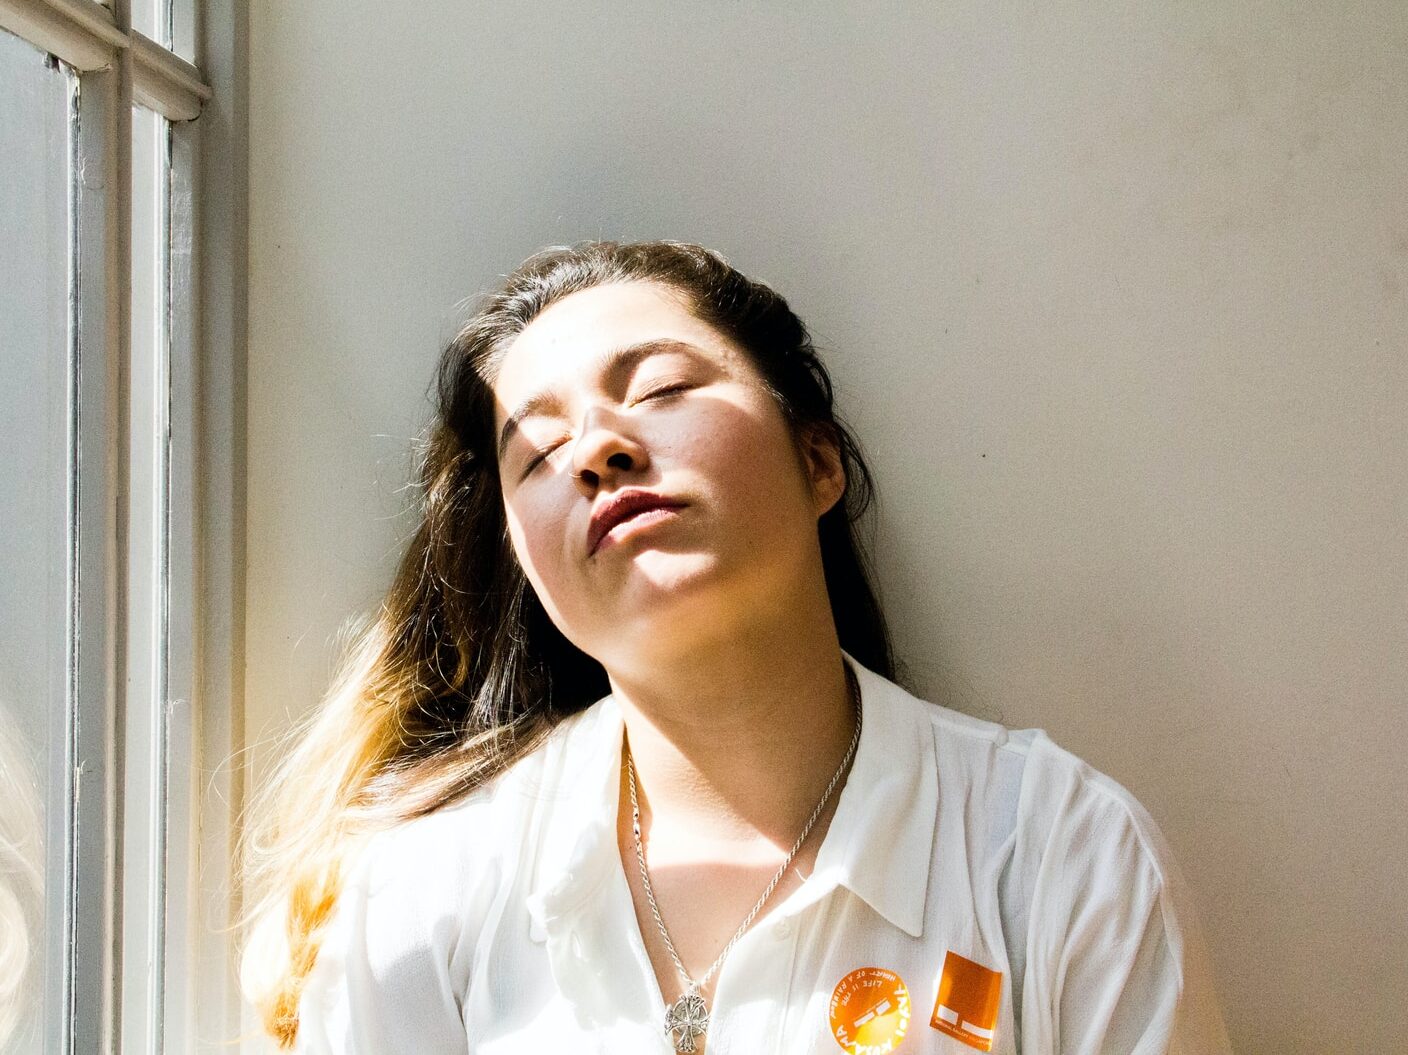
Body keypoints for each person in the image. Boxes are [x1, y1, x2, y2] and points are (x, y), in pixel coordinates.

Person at [238, 240, 1233, 1054]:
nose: (597, 449)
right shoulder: (422, 897)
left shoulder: (1058, 855)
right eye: (537, 452)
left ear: (819, 459)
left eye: (661, 387)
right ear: (524, 560)